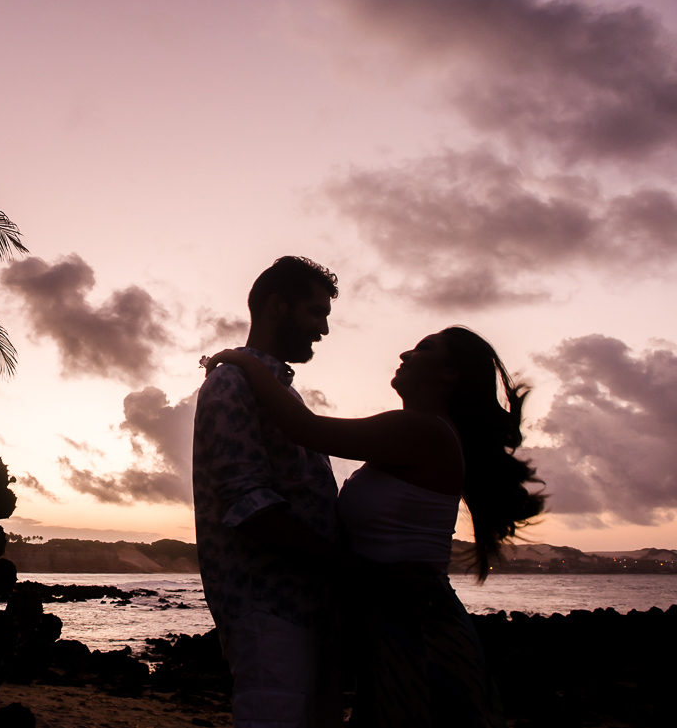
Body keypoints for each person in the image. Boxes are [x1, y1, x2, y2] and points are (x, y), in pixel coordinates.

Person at [205, 326, 546, 728]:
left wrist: (244, 360)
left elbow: (303, 429)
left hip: (417, 625)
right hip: (396, 620)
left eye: (424, 348)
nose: (405, 353)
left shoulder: (422, 430)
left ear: (450, 373)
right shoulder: (419, 431)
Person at [192, 256, 343, 728]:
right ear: (278, 307)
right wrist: (347, 566)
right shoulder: (231, 383)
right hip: (269, 610)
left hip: (305, 607)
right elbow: (249, 505)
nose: (322, 329)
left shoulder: (276, 389)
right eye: (315, 313)